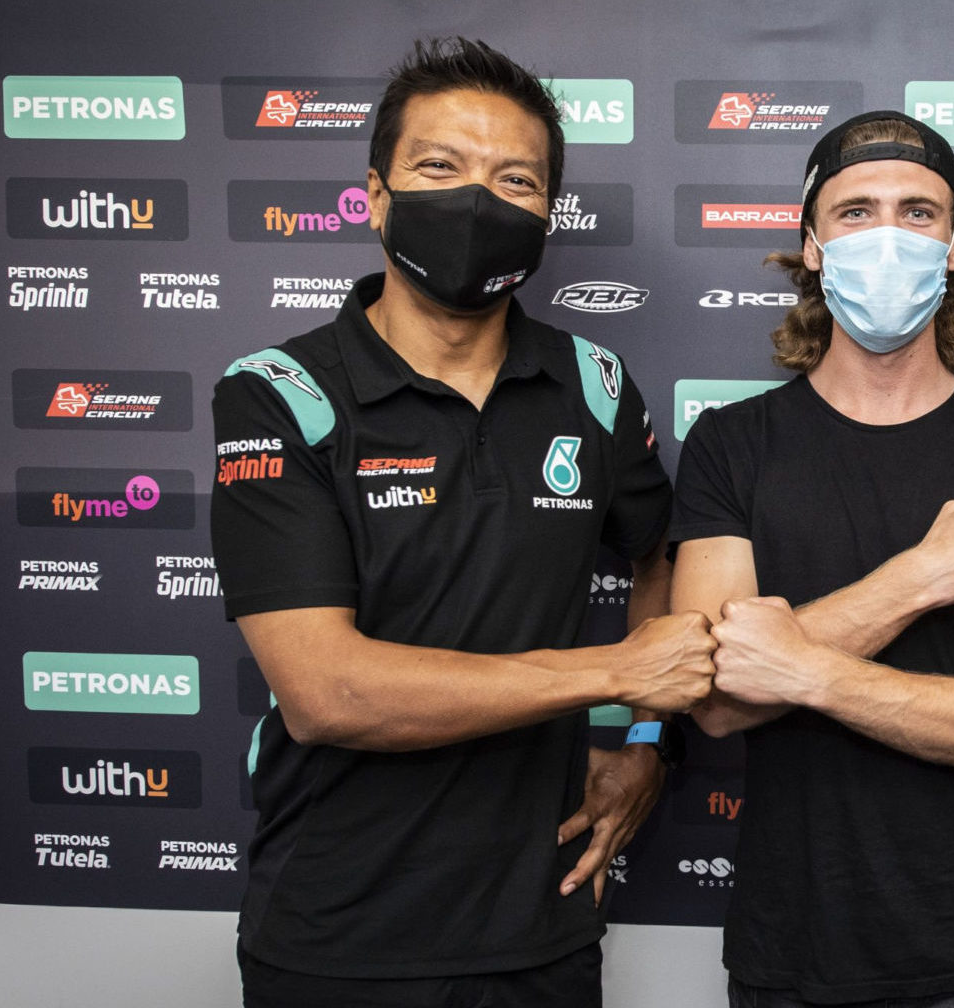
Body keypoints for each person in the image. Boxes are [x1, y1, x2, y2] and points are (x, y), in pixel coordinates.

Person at [209, 37, 715, 1007]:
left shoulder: (596, 388)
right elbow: (325, 692)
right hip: (335, 934)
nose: (476, 199)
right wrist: (616, 673)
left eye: (514, 178)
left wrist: (649, 742)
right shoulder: (281, 394)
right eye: (439, 166)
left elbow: (667, 548)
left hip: (543, 927)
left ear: (546, 217)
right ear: (375, 194)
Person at [669, 110, 954, 1007]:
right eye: (856, 211)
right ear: (813, 245)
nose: (888, 235)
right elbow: (711, 697)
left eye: (919, 211)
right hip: (793, 952)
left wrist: (798, 668)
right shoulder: (729, 447)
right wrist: (924, 577)